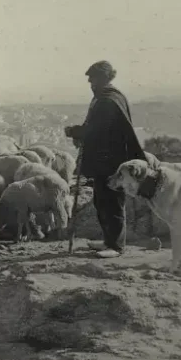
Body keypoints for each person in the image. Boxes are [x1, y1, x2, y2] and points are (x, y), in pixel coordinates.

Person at [64, 60, 146, 259]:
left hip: (112, 161)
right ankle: (109, 240)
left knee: (112, 201)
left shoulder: (108, 101)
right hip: (105, 159)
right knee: (102, 200)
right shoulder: (105, 98)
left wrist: (74, 131)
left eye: (93, 79)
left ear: (103, 78)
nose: (90, 83)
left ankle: (116, 246)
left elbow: (95, 130)